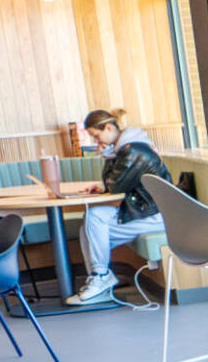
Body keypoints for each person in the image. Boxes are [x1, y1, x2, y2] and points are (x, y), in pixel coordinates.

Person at [65, 108, 169, 305]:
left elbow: (115, 185)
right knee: (91, 222)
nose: (97, 142)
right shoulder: (126, 149)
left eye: (97, 136)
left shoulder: (134, 151)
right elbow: (115, 183)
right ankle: (99, 277)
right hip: (145, 211)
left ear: (109, 127)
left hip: (157, 215)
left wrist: (106, 154)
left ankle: (101, 277)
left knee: (94, 221)